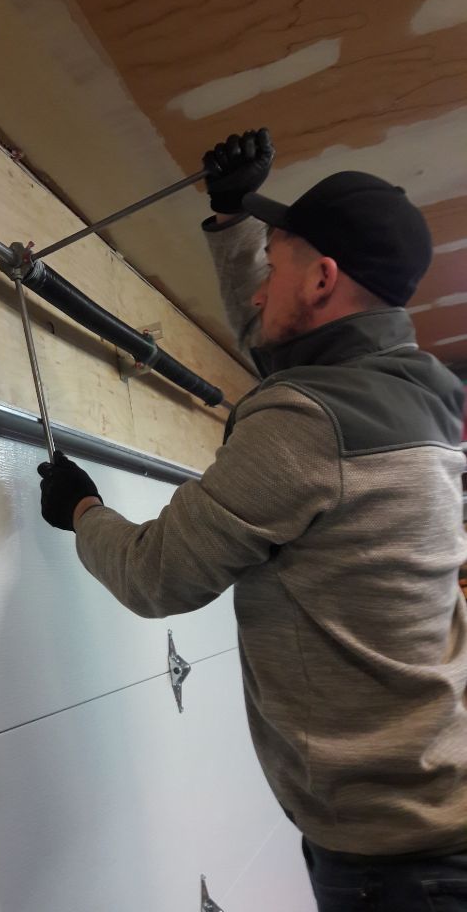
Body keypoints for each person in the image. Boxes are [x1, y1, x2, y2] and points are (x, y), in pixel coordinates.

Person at [37, 130, 467, 911]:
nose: (258, 291)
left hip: (397, 864)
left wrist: (81, 511)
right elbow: (286, 348)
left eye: (274, 268)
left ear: (325, 278)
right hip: (431, 822)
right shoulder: (420, 391)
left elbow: (154, 573)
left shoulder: (308, 421)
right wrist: (234, 220)